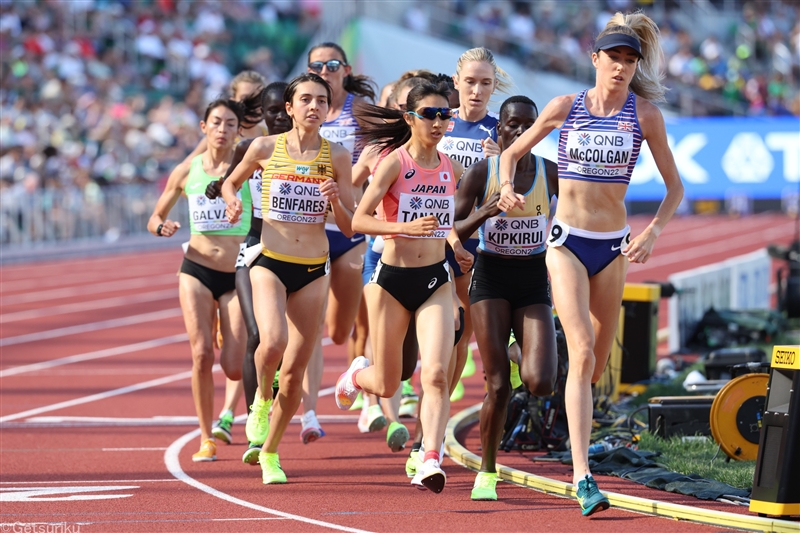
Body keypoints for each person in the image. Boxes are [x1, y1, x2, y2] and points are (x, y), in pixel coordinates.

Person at [497, 13, 684, 516]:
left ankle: (530, 356)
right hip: (566, 243)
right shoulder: (565, 107)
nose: (621, 68)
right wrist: (506, 187)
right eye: (614, 59)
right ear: (595, 59)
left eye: (630, 60)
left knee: (593, 365)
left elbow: (675, 189)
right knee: (581, 354)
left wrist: (651, 234)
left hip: (614, 248)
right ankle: (584, 477)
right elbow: (511, 153)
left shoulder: (644, 115)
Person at [335, 80, 473, 494]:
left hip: (434, 280)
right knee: (389, 383)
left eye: (444, 114)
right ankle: (358, 376)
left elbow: (442, 220)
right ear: (410, 118)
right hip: (391, 282)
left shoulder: (453, 167)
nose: (438, 121)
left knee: (434, 374)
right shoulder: (394, 163)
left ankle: (430, 456)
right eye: (429, 114)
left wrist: (456, 245)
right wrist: (400, 227)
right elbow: (359, 221)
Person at [221, 73, 356, 484]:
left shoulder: (338, 156)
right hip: (270, 260)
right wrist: (230, 202)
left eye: (321, 100)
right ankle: (262, 398)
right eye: (306, 100)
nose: (314, 106)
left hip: (314, 267)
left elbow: (351, 228)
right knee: (272, 341)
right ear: (290, 108)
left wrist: (336, 202)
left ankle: (271, 453)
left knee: (295, 371)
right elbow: (231, 182)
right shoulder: (264, 147)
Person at [454, 95, 559, 501]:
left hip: (533, 280)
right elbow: (454, 231)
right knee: (497, 386)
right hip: (491, 280)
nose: (518, 131)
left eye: (527, 124)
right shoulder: (483, 172)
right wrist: (488, 211)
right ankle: (488, 470)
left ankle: (519, 353)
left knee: (541, 382)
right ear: (500, 129)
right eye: (511, 124)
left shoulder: (550, 174)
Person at [146, 98, 248, 462]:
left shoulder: (248, 166)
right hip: (196, 268)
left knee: (234, 366)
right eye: (216, 122)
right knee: (202, 353)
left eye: (230, 124)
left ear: (239, 130)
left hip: (237, 273)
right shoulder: (187, 170)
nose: (222, 129)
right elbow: (155, 215)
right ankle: (206, 437)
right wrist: (162, 225)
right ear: (204, 128)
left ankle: (231, 334)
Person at [205, 81, 292, 465]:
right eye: (268, 111)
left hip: (297, 253)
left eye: (279, 110)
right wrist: (219, 190)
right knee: (256, 334)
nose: (274, 117)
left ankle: (282, 404)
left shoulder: (307, 152)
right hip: (254, 249)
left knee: (289, 342)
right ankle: (256, 418)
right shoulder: (252, 148)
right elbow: (228, 181)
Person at [299, 42, 378, 440]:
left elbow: (393, 138)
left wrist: (353, 182)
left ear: (345, 70)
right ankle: (309, 413)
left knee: (341, 330)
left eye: (333, 65)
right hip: (311, 230)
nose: (326, 70)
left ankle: (359, 385)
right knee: (312, 327)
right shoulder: (301, 112)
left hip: (352, 227)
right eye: (318, 65)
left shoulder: (361, 110)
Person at [439, 47, 512, 404]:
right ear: (456, 82)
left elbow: (514, 197)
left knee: (459, 334)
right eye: (469, 82)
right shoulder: (438, 120)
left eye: (485, 83)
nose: (476, 91)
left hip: (472, 239)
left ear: (493, 85)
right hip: (430, 234)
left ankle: (434, 419)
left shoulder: (500, 131)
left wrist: (500, 165)